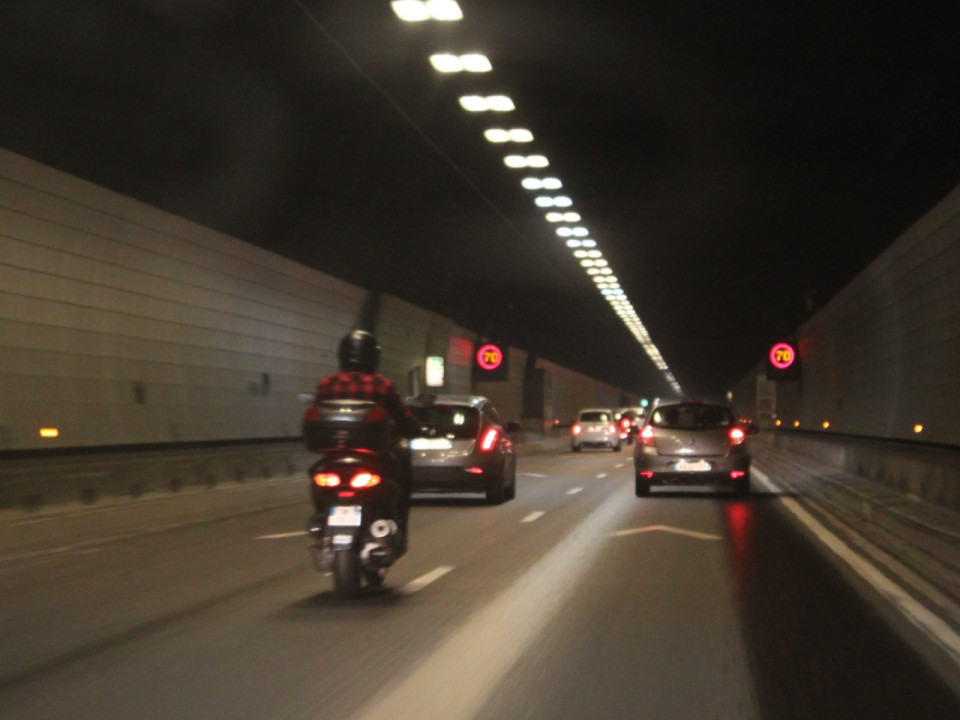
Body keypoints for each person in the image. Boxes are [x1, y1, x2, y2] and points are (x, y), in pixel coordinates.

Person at [308, 329, 421, 548]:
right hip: (374, 457)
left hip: (335, 455)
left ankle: (321, 519)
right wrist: (416, 429)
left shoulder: (327, 384)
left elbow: (316, 414)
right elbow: (402, 417)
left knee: (315, 476)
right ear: (372, 358)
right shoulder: (381, 385)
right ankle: (398, 527)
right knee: (402, 477)